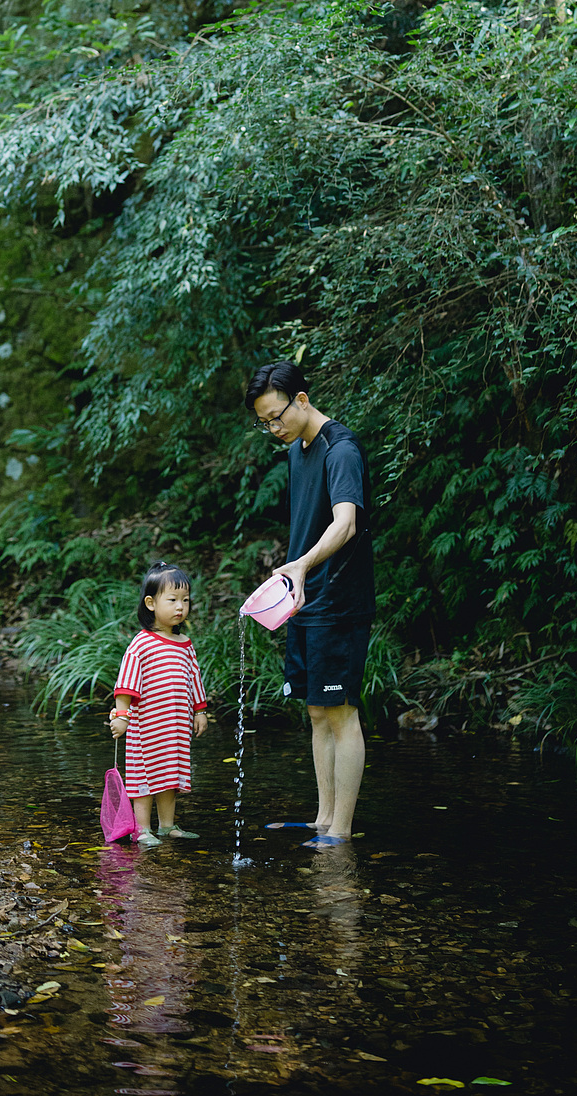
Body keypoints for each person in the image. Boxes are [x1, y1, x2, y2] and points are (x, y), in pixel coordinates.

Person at [244, 359, 375, 848]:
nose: (273, 428)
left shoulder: (341, 450)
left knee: (340, 711)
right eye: (264, 422)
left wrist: (301, 565)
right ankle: (323, 820)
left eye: (276, 417)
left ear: (301, 399)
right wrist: (292, 575)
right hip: (303, 600)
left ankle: (341, 831)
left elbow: (346, 524)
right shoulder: (296, 451)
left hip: (339, 600)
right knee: (317, 712)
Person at [109, 562, 209, 848]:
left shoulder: (185, 644)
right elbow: (126, 683)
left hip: (175, 726)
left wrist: (200, 711)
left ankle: (167, 826)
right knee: (144, 778)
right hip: (147, 727)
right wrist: (122, 715)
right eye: (173, 600)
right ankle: (142, 829)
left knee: (171, 776)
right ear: (151, 603)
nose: (180, 607)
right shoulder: (142, 643)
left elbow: (194, 678)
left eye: (185, 600)